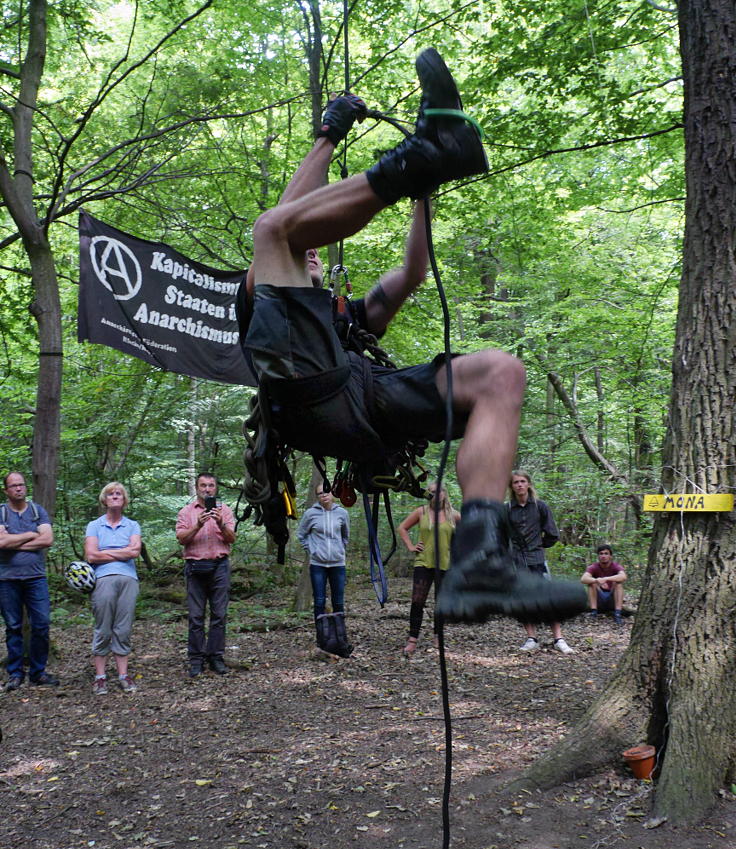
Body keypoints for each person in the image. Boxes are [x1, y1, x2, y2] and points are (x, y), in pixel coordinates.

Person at [238, 48, 587, 626]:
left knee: (502, 373)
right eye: (310, 255)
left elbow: (411, 273)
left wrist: (423, 196)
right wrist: (327, 136)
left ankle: (481, 558)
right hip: (301, 393)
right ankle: (421, 156)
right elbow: (288, 219)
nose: (316, 256)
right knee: (274, 229)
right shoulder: (264, 293)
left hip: (365, 397)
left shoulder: (346, 317)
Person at [0, 472, 58, 690]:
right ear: (6, 490)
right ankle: (15, 674)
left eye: (21, 485)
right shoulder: (2, 513)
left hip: (36, 578)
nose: (18, 489)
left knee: (41, 624)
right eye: (13, 486)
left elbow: (48, 539)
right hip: (7, 579)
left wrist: (13, 541)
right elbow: (1, 543)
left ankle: (38, 672)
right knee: (13, 626)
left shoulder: (36, 511)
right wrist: (31, 535)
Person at [176, 473, 236, 677]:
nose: (207, 489)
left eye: (211, 485)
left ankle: (216, 657)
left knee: (219, 614)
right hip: (195, 567)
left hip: (219, 566)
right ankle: (196, 659)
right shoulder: (186, 512)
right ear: (197, 488)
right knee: (195, 616)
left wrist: (220, 523)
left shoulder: (224, 510)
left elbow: (231, 538)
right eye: (203, 485)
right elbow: (181, 539)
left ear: (216, 488)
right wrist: (198, 525)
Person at [507, 470, 574, 655]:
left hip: (537, 559)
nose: (519, 485)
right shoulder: (506, 509)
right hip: (517, 562)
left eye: (522, 481)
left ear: (528, 484)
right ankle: (531, 638)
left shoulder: (540, 506)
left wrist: (537, 545)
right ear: (511, 487)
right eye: (515, 482)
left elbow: (552, 534)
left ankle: (559, 638)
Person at [84, 482, 142, 695]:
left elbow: (135, 552)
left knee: (123, 627)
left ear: (124, 500)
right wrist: (122, 551)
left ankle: (123, 675)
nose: (115, 497)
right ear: (104, 499)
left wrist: (105, 552)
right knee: (103, 627)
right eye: (111, 494)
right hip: (102, 579)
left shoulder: (133, 525)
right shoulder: (94, 526)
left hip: (129, 579)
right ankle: (100, 677)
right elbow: (91, 555)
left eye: (119, 494)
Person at [398, 483, 460, 656]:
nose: (436, 494)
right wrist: (411, 545)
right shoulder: (421, 512)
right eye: (432, 492)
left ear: (445, 494)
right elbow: (402, 528)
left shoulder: (453, 515)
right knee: (417, 601)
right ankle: (412, 639)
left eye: (439, 491)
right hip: (423, 562)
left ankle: (438, 638)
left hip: (445, 564)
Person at [297, 483, 351, 653]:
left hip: (337, 563)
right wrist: (312, 550)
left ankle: (340, 638)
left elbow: (345, 536)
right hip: (318, 564)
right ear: (317, 496)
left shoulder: (342, 513)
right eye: (320, 493)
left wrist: (339, 550)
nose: (323, 495)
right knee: (319, 601)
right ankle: (322, 639)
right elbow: (301, 535)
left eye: (326, 492)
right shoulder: (310, 514)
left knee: (338, 601)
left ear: (332, 493)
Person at [581, 544, 627, 625]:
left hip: (612, 598)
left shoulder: (615, 566)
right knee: (592, 584)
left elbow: (623, 576)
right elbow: (583, 579)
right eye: (601, 553)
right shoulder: (594, 566)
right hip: (599, 598)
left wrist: (606, 579)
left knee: (618, 584)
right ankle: (594, 612)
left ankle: (617, 613)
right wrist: (596, 580)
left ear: (610, 556)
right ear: (598, 556)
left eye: (606, 553)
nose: (603, 556)